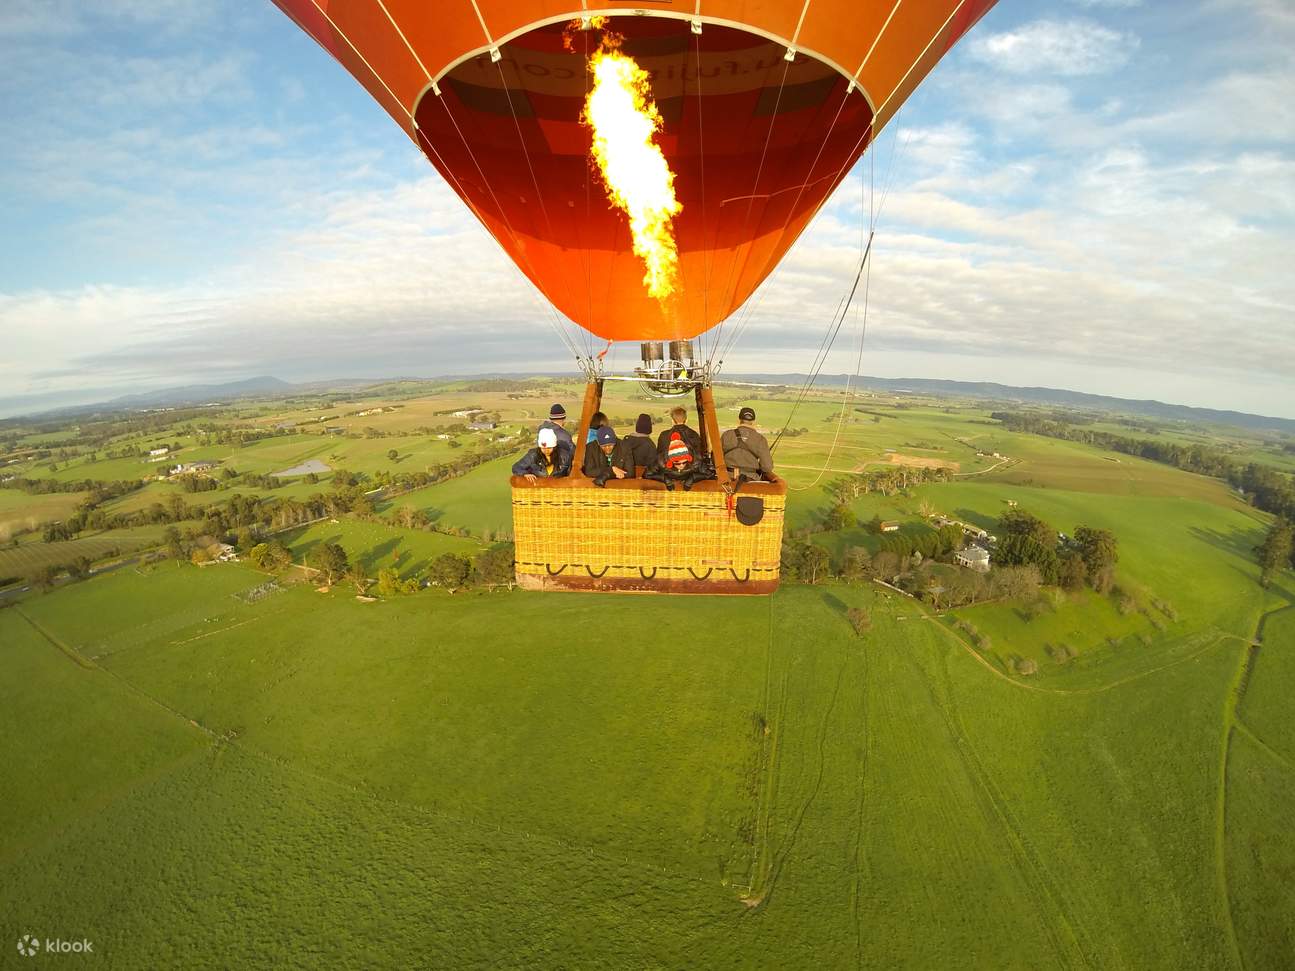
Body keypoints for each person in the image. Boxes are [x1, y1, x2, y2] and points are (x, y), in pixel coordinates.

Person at [722, 406, 778, 482]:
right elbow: (767, 467)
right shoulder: (760, 439)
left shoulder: (726, 435)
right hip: (751, 480)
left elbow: (714, 458)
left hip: (726, 478)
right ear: (753, 422)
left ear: (739, 420)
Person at [614, 413, 658, 478]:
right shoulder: (651, 445)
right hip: (642, 478)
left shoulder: (625, 441)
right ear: (649, 428)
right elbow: (652, 466)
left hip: (623, 476)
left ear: (637, 426)